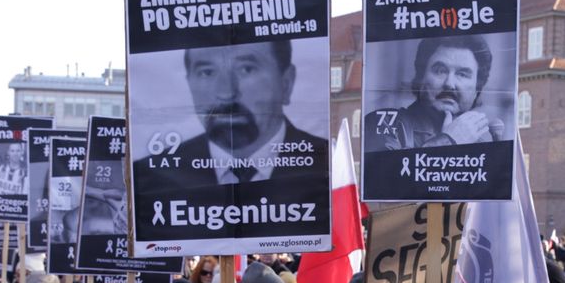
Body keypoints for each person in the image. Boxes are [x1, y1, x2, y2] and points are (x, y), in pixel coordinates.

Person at [133, 40, 327, 211]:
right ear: (189, 83)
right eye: (207, 72)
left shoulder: (326, 168)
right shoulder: (153, 178)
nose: (226, 92)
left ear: (286, 83)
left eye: (246, 69)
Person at [364, 35, 507, 151]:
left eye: (462, 74)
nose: (450, 84)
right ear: (421, 76)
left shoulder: (482, 146)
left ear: (477, 89)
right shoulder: (385, 123)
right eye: (440, 70)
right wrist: (449, 140)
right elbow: (386, 178)